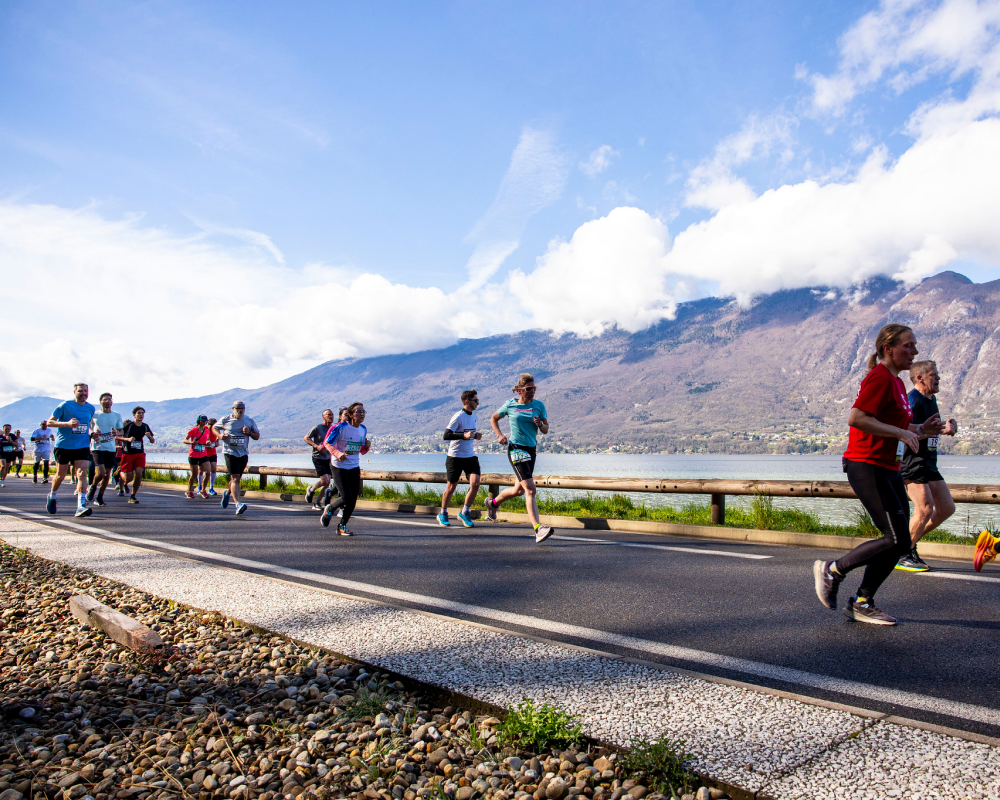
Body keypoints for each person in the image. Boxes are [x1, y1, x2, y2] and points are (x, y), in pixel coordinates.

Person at [814, 325, 944, 625]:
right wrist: (900, 431)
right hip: (866, 465)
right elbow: (857, 418)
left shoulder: (897, 384)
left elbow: (900, 426)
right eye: (909, 346)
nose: (915, 351)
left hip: (889, 468)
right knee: (895, 537)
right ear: (889, 348)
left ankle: (862, 601)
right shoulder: (879, 377)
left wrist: (923, 430)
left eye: (915, 346)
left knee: (901, 542)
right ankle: (833, 569)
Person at [896, 361, 958, 572]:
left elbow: (931, 429)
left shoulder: (931, 400)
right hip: (912, 462)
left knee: (947, 508)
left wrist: (947, 428)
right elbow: (905, 432)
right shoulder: (913, 400)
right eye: (934, 375)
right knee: (924, 509)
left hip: (929, 462)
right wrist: (938, 430)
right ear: (920, 378)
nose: (938, 378)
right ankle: (903, 554)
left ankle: (907, 544)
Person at [486, 373, 554, 544]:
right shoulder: (510, 405)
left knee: (519, 490)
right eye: (529, 389)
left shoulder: (539, 405)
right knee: (530, 489)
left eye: (534, 388)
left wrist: (540, 424)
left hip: (531, 450)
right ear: (519, 390)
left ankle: (493, 503)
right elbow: (493, 418)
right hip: (516, 449)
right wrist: (499, 435)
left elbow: (546, 429)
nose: (533, 392)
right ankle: (538, 528)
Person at [47, 383, 97, 517]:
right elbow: (50, 422)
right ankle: (52, 496)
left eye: (85, 391)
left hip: (81, 445)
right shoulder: (65, 405)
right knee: (60, 475)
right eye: (80, 391)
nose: (83, 393)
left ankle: (80, 506)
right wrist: (67, 424)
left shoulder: (90, 408)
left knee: (82, 473)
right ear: (74, 392)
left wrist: (92, 434)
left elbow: (87, 425)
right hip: (63, 445)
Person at [319, 402, 370, 535]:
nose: (362, 414)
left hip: (354, 466)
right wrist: (338, 453)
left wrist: (367, 446)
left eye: (363, 411)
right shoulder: (341, 427)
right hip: (339, 466)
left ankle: (342, 525)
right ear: (351, 415)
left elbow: (362, 451)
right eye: (359, 411)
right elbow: (327, 443)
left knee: (353, 499)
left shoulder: (363, 429)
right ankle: (330, 509)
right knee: (347, 496)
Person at [438, 390, 482, 528]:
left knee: (475, 484)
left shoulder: (475, 417)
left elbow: (469, 434)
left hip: (469, 456)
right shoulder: (458, 416)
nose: (478, 403)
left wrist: (475, 435)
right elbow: (447, 435)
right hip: (455, 457)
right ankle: (443, 513)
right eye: (475, 400)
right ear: (467, 401)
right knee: (451, 487)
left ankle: (465, 512)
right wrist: (464, 436)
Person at [213, 401, 260, 516]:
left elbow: (257, 436)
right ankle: (238, 504)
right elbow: (214, 428)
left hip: (243, 453)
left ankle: (227, 493)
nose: (240, 410)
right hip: (230, 452)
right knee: (235, 478)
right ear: (233, 409)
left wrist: (249, 433)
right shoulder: (226, 419)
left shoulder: (249, 421)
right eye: (238, 408)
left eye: (242, 408)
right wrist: (219, 436)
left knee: (236, 480)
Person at [87, 393, 123, 507]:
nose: (107, 401)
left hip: (111, 449)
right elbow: (88, 427)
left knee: (107, 475)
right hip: (97, 447)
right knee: (101, 473)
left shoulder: (116, 415)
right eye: (104, 399)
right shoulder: (95, 414)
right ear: (100, 402)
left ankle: (99, 497)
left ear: (112, 402)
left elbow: (121, 431)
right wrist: (92, 434)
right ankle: (92, 487)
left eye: (109, 399)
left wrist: (115, 433)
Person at [120, 406, 153, 503]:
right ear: (134, 415)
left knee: (139, 474)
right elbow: (117, 437)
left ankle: (132, 496)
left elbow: (152, 441)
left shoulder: (145, 426)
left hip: (140, 453)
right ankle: (119, 473)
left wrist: (150, 437)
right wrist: (128, 439)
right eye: (138, 413)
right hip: (128, 453)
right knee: (128, 478)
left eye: (142, 413)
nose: (141, 415)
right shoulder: (129, 426)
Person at [304, 409, 335, 511]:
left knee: (327, 482)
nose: (330, 416)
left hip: (328, 458)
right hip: (318, 457)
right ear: (323, 417)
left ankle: (317, 502)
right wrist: (316, 446)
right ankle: (311, 490)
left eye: (332, 415)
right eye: (328, 415)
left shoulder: (333, 429)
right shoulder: (318, 428)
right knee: (324, 480)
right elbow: (306, 438)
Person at [184, 416, 213, 498]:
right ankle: (189, 490)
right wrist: (191, 443)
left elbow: (207, 439)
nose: (204, 423)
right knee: (194, 474)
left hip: (203, 454)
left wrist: (208, 442)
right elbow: (184, 440)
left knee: (208, 472)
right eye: (202, 421)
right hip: (193, 454)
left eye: (205, 421)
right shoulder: (194, 430)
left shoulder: (207, 431)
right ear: (199, 421)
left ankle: (203, 490)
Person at [201, 418, 220, 496]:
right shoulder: (204, 430)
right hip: (204, 453)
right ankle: (200, 487)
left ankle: (211, 488)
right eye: (210, 426)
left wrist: (217, 443)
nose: (212, 428)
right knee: (202, 470)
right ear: (207, 424)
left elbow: (218, 438)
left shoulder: (216, 430)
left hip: (212, 452)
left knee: (214, 468)